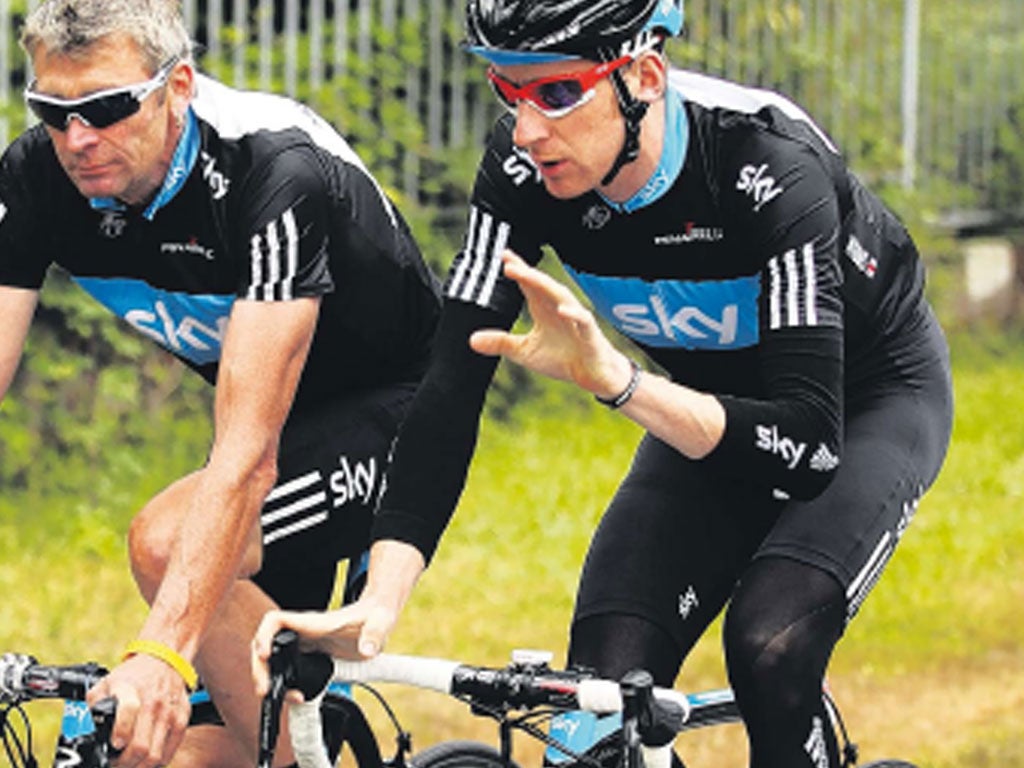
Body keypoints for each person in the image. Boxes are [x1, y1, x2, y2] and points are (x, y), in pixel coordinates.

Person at [253, 1, 953, 766]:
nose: (527, 130)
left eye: (557, 93)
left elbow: (809, 447)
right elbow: (447, 392)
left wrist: (620, 382)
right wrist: (378, 604)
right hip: (702, 408)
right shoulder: (521, 171)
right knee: (601, 696)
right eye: (507, 90)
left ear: (644, 76)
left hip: (864, 401)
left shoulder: (767, 164)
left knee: (771, 643)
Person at [0, 0, 441, 766]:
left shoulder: (272, 170)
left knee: (168, 542)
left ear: (177, 87)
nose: (77, 139)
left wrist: (161, 655)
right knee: (155, 756)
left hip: (399, 411)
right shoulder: (36, 175)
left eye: (106, 107)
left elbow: (247, 454)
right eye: (53, 110)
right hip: (284, 427)